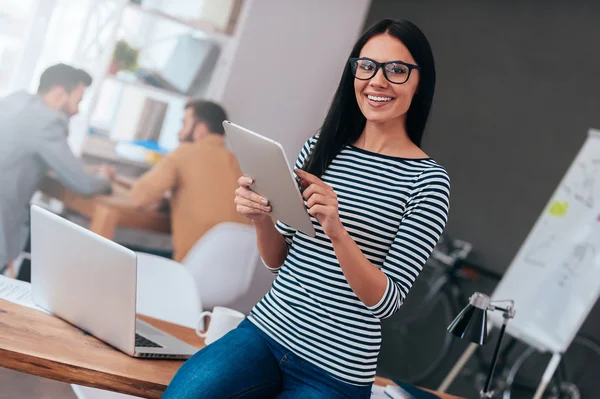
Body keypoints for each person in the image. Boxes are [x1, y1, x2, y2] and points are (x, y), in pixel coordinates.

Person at [163, 19, 451, 399]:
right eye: (366, 66)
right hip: (266, 333)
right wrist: (261, 218)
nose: (377, 81)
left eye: (396, 70)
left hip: (335, 371)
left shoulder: (428, 182)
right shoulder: (321, 146)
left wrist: (337, 230)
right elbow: (276, 259)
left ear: (420, 81)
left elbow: (385, 301)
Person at [0, 63, 113, 273]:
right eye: (78, 101)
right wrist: (105, 179)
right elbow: (83, 184)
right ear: (60, 93)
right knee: (67, 245)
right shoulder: (47, 122)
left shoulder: (17, 101)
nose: (78, 110)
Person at [129, 100, 248, 262]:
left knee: (123, 252)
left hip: (189, 266)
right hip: (232, 274)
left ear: (200, 130)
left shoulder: (184, 153)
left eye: (184, 124)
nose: (179, 133)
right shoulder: (240, 164)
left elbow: (138, 198)